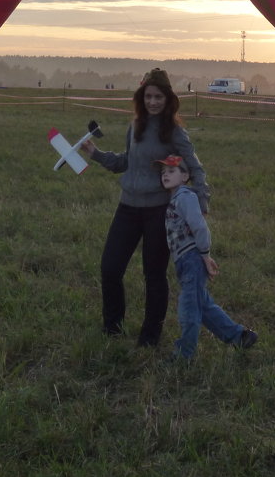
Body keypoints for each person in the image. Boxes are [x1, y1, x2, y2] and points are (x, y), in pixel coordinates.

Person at [82, 67, 210, 347]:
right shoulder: (135, 127)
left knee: (153, 274)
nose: (153, 102)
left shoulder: (174, 132)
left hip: (159, 211)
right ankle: (112, 327)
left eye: (159, 97)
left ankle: (150, 336)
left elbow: (196, 168)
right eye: (149, 96)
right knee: (110, 268)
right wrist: (96, 155)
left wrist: (201, 204)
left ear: (168, 100)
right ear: (142, 97)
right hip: (128, 207)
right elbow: (128, 161)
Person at [155, 154, 256, 360]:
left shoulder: (185, 196)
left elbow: (200, 227)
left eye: (172, 171)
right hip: (185, 261)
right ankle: (239, 337)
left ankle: (184, 355)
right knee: (204, 306)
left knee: (189, 308)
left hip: (191, 259)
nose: (165, 175)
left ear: (185, 176)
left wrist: (204, 255)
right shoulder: (175, 199)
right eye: (163, 172)